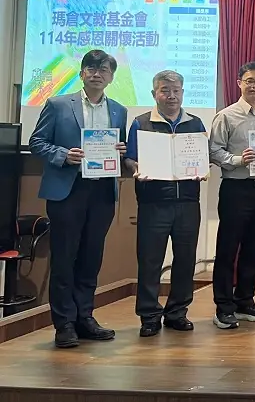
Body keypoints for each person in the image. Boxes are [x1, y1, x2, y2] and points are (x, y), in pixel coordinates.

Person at [28, 49, 128, 349]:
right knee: (64, 258)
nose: (97, 74)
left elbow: (119, 147)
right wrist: (63, 154)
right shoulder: (58, 104)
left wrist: (121, 151)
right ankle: (64, 324)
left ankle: (85, 317)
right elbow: (37, 142)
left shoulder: (119, 110)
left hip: (102, 192)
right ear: (82, 73)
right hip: (67, 190)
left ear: (111, 77)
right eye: (91, 69)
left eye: (103, 70)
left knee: (91, 258)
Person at [124, 70, 206, 337]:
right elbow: (130, 158)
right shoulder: (141, 123)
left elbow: (202, 157)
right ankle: (149, 316)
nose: (171, 96)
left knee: (186, 260)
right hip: (153, 203)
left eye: (176, 90)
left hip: (188, 202)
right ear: (154, 94)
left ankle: (177, 313)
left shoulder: (195, 123)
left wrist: (202, 169)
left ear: (182, 92)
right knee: (150, 261)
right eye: (165, 90)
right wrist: (135, 167)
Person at [208, 61, 255, 330]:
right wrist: (238, 159)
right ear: (239, 83)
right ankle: (223, 307)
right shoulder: (226, 116)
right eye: (249, 81)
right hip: (235, 188)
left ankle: (245, 301)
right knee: (228, 250)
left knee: (254, 248)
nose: (254, 86)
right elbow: (214, 151)